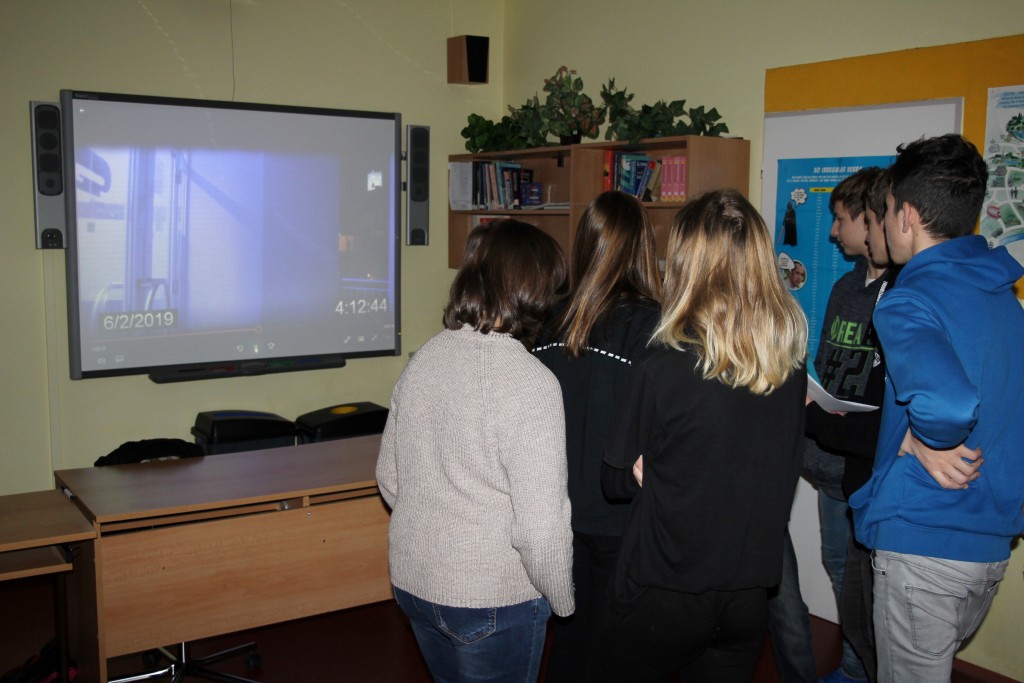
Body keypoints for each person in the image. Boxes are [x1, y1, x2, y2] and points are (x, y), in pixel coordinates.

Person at [595, 189, 808, 682]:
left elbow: (614, 481)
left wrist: (643, 471)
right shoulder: (789, 367)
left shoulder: (661, 367)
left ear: (686, 266)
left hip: (665, 590)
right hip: (747, 595)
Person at [850, 134, 1024, 683]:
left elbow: (948, 404)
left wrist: (926, 437)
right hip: (986, 545)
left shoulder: (907, 299)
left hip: (925, 538)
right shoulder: (1004, 298)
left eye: (885, 211)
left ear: (907, 216)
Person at [376, 219, 574, 683]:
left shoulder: (426, 358)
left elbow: (389, 477)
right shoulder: (531, 382)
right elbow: (541, 527)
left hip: (416, 583)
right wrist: (562, 599)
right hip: (492, 598)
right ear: (534, 288)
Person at [532, 191, 662, 681]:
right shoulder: (655, 325)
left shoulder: (547, 320)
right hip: (621, 515)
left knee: (568, 637)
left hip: (556, 511)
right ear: (644, 247)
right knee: (620, 648)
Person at [798, 166, 890, 683]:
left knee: (869, 584)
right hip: (827, 461)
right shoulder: (844, 286)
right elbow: (829, 362)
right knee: (839, 567)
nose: (834, 232)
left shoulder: (901, 293)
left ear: (868, 218)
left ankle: (861, 669)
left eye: (841, 219)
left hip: (867, 466)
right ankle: (855, 666)